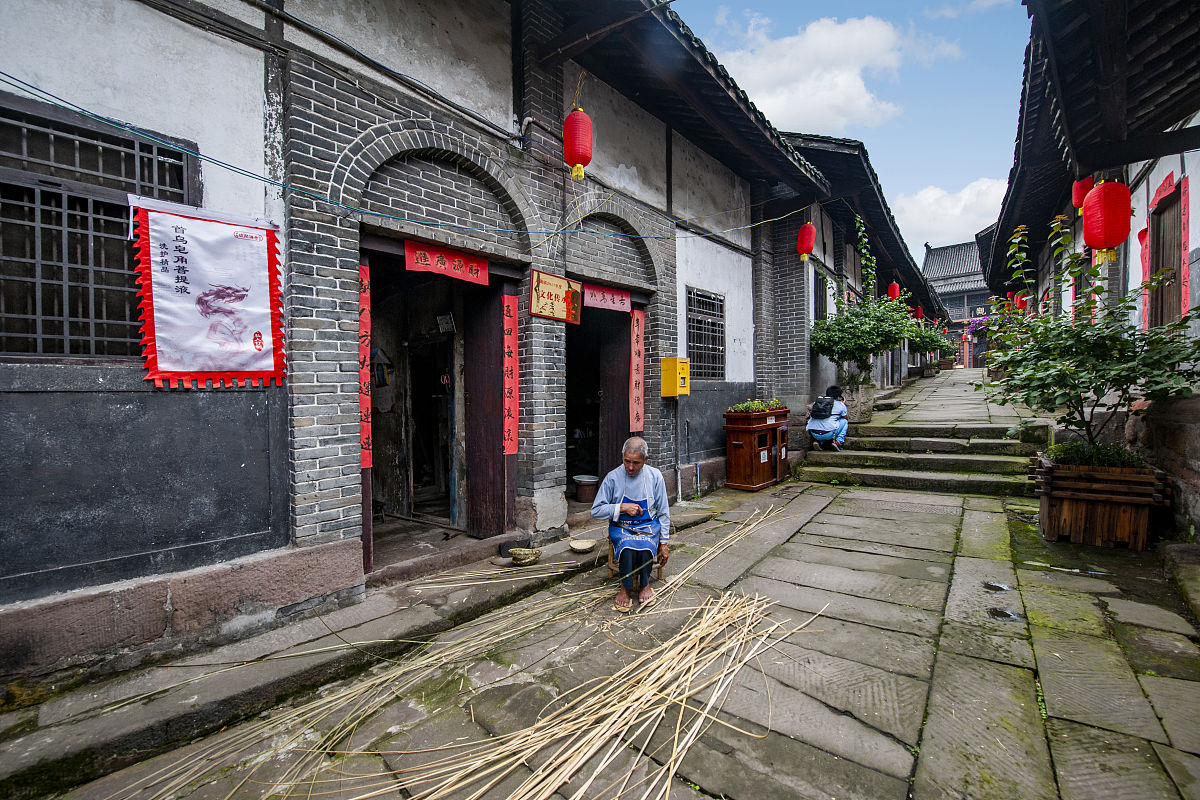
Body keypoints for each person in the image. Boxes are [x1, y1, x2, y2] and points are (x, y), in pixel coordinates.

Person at [590, 436, 671, 612]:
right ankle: (625, 588)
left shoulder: (655, 476)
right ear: (622, 457)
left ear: (645, 460)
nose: (631, 467)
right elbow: (596, 510)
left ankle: (644, 585)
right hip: (622, 526)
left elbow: (663, 511)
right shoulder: (612, 477)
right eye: (627, 461)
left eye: (636, 463)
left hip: (647, 525)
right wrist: (621, 507)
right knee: (627, 546)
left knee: (644, 543)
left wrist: (664, 542)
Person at [806, 384, 849, 451]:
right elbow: (846, 417)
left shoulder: (817, 402)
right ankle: (838, 442)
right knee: (844, 421)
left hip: (813, 433)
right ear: (838, 396)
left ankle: (818, 441)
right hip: (828, 434)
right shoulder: (840, 404)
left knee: (823, 424)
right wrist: (842, 404)